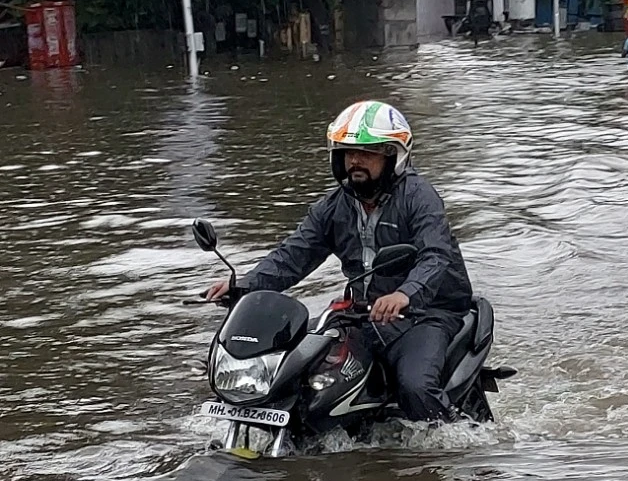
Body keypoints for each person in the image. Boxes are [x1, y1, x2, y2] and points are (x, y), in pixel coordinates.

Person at [203, 101, 474, 424]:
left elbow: (436, 255)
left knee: (415, 386)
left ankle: (450, 447)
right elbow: (293, 254)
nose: (355, 161)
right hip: (361, 314)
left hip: (426, 313)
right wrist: (242, 285)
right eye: (348, 152)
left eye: (368, 152)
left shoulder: (419, 198)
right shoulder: (334, 207)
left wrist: (405, 294)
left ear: (392, 156)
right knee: (301, 376)